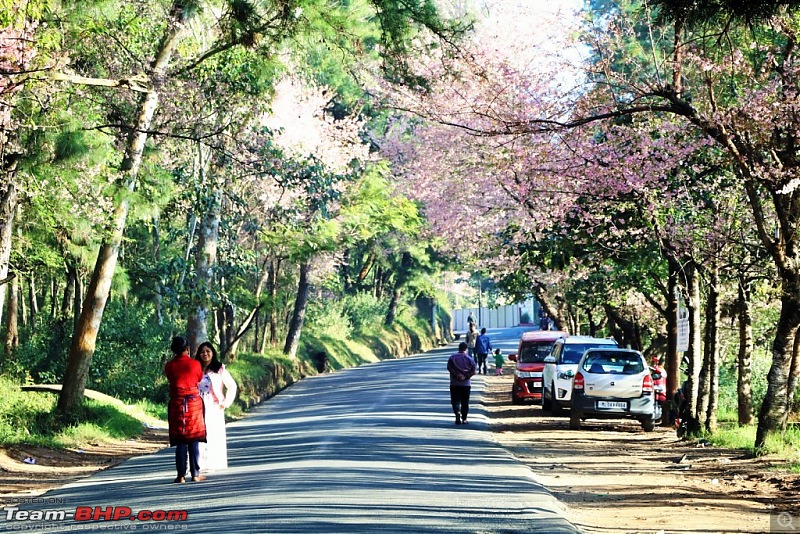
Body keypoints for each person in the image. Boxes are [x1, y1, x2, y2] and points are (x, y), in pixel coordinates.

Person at [164, 336, 207, 483]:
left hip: (176, 404)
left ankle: (180, 475)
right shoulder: (195, 364)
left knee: (181, 440)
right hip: (193, 403)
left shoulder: (169, 366)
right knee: (193, 439)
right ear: (187, 348)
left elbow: (171, 379)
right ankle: (195, 474)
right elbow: (199, 379)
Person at [195, 341, 238, 472]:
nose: (205, 354)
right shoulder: (196, 368)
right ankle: (199, 463)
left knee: (213, 433)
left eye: (208, 351)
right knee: (199, 433)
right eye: (202, 352)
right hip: (197, 404)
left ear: (213, 353)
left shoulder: (219, 369)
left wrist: (225, 403)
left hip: (214, 405)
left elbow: (232, 386)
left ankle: (213, 463)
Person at [447, 342, 476, 425]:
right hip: (466, 384)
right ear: (466, 349)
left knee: (455, 401)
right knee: (465, 402)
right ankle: (464, 419)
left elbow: (449, 368)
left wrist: (457, 376)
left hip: (454, 383)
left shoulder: (452, 358)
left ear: (458, 348)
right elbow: (473, 370)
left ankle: (457, 413)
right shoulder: (470, 359)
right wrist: (465, 376)